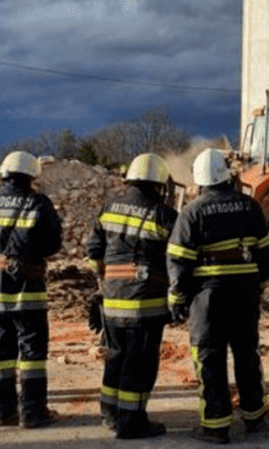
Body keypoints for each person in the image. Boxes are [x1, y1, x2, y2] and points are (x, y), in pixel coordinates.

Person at [167, 148, 269, 445]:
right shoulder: (250, 206)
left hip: (208, 297)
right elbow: (265, 251)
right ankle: (255, 418)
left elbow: (178, 259)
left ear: (200, 181)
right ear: (227, 176)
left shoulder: (193, 211)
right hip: (244, 294)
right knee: (247, 354)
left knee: (209, 357)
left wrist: (177, 298)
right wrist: (257, 282)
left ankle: (215, 426)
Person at [86, 153, 177, 440]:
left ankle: (110, 413)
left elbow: (93, 256)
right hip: (146, 303)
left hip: (112, 300)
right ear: (158, 184)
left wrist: (105, 282)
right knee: (140, 363)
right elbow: (178, 260)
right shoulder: (164, 215)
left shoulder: (108, 209)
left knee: (115, 358)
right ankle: (132, 421)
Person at [0, 151, 63, 428]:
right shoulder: (38, 203)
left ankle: (4, 412)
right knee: (33, 355)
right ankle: (33, 413)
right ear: (31, 176)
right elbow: (52, 245)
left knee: (0, 355)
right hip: (28, 291)